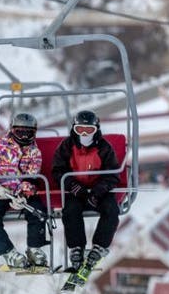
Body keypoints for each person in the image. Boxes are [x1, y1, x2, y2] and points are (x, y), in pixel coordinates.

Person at [51, 110, 122, 275]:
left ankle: (99, 247)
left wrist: (98, 191)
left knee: (111, 209)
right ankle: (76, 248)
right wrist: (73, 186)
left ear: (96, 129)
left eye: (88, 130)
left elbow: (113, 174)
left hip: (99, 190)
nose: (84, 134)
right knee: (70, 211)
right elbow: (58, 171)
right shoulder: (66, 146)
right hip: (76, 191)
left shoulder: (104, 148)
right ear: (74, 129)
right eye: (80, 130)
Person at [0, 112, 48, 269]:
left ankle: (34, 248)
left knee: (39, 212)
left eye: (28, 132)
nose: (24, 136)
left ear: (34, 132)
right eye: (20, 131)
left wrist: (22, 194)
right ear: (12, 130)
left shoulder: (34, 152)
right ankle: (8, 252)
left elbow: (31, 177)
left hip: (21, 191)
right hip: (0, 190)